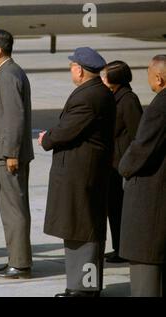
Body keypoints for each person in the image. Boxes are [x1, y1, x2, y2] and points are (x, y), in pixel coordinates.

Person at [38, 47, 115, 297]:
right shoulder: (97, 92)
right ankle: (81, 285)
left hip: (81, 173)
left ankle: (84, 288)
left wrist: (47, 138)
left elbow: (67, 130)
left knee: (84, 228)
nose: (71, 69)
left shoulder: (88, 96)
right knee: (79, 226)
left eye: (72, 65)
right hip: (84, 171)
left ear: (80, 70)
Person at [0, 29, 33, 279]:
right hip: (4, 152)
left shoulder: (8, 76)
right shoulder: (8, 73)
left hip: (8, 155)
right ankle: (16, 258)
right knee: (12, 209)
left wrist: (11, 153)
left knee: (14, 210)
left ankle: (20, 264)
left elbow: (15, 116)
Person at [118, 55, 166, 297]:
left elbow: (142, 146)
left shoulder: (159, 106)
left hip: (151, 196)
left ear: (159, 78)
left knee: (145, 270)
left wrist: (124, 168)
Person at [101, 61, 143, 263]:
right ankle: (118, 247)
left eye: (105, 75)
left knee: (121, 210)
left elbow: (138, 135)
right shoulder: (114, 97)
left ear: (115, 79)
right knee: (113, 209)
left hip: (121, 165)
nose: (102, 78)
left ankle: (124, 250)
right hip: (112, 164)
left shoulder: (128, 100)